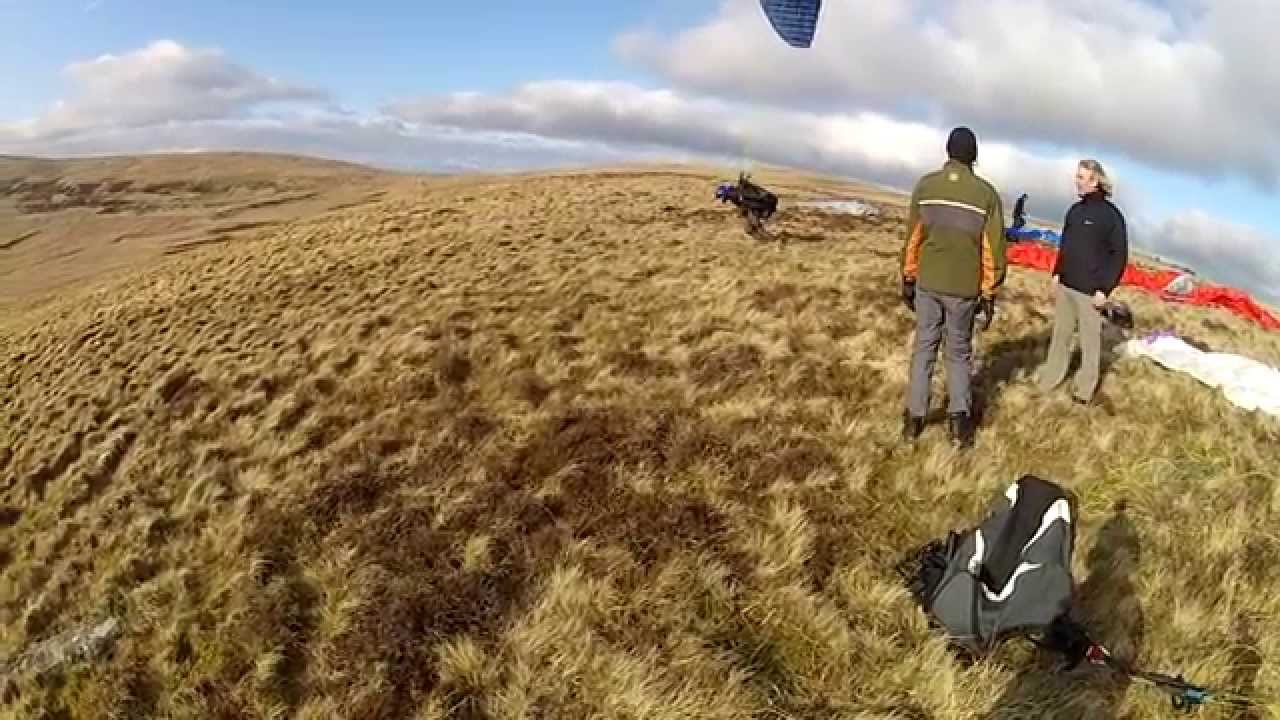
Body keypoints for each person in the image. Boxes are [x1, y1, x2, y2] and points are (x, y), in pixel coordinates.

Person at [900, 127, 1007, 448]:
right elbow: (993, 249)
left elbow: (913, 237)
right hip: (964, 288)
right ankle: (959, 423)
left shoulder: (926, 185)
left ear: (948, 151)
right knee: (958, 352)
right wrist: (989, 291)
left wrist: (908, 276)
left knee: (924, 348)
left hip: (928, 281)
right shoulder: (986, 194)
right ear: (973, 155)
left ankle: (913, 420)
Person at [1036, 159, 1128, 405]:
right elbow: (1065, 245)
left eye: (1082, 177)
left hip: (1090, 292)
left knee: (1089, 343)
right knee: (1060, 336)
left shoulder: (1112, 217)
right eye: (1076, 176)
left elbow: (1119, 256)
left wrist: (1104, 289)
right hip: (1067, 285)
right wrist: (1057, 273)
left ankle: (1084, 390)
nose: (1076, 181)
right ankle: (1051, 378)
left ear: (1095, 180)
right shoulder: (1075, 211)